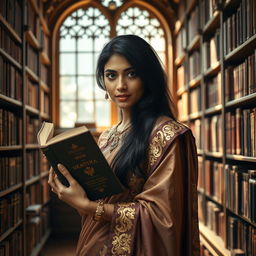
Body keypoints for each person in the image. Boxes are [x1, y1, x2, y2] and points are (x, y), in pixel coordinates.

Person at [48, 35, 200, 256]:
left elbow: (162, 217)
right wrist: (70, 185)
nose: (120, 85)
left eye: (131, 74)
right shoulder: (107, 136)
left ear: (148, 77)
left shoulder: (168, 136)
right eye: (111, 75)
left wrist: (89, 207)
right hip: (92, 242)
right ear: (103, 80)